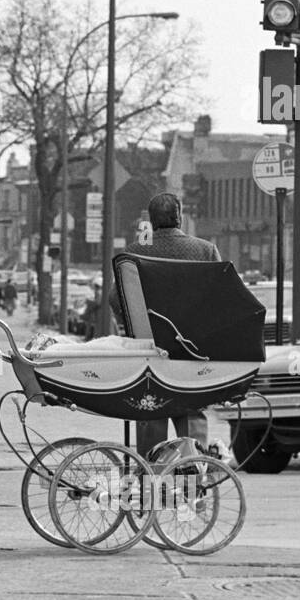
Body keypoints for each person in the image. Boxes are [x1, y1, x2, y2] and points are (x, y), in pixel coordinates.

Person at [115, 192, 221, 459]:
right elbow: (223, 298)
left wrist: (131, 329)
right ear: (180, 217)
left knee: (150, 409)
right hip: (192, 351)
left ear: (150, 221)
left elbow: (115, 299)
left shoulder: (134, 251)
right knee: (192, 410)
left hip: (148, 351)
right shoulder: (205, 251)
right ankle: (193, 475)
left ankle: (151, 477)